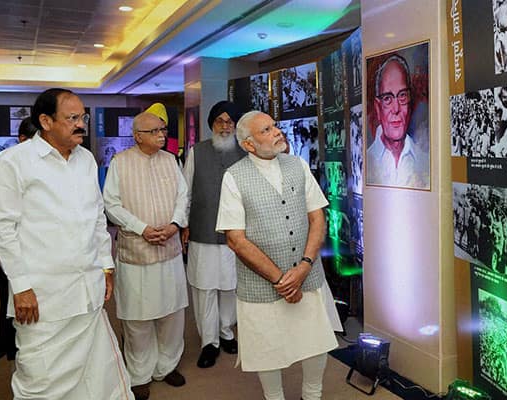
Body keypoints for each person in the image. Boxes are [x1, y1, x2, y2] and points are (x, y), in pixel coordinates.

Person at [0, 88, 133, 399]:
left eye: (83, 117)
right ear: (45, 121)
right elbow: (2, 229)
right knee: (40, 379)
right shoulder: (14, 162)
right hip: (42, 297)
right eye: (72, 118)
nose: (82, 123)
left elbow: (96, 217)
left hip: (86, 290)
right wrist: (21, 286)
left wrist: (106, 265)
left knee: (98, 376)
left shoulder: (86, 160)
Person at [216, 110, 341, 400]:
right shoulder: (233, 178)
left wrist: (304, 268)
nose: (277, 133)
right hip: (262, 286)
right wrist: (282, 280)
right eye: (266, 130)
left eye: (275, 126)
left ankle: (312, 395)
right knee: (268, 351)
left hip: (308, 276)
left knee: (315, 343)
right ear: (249, 144)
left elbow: (317, 218)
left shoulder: (298, 165)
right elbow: (236, 240)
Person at [103, 111, 189, 400]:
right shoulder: (120, 162)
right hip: (136, 251)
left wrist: (175, 224)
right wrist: (141, 228)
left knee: (173, 313)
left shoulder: (171, 160)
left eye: (163, 130)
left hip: (170, 248)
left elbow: (183, 196)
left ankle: (167, 366)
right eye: (154, 131)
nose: (162, 136)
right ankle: (139, 374)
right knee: (137, 318)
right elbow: (110, 204)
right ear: (137, 135)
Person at [181, 101, 245, 368]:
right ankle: (209, 341)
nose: (225, 126)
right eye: (220, 121)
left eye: (230, 121)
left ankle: (226, 332)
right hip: (203, 230)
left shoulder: (246, 152)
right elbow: (184, 190)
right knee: (205, 287)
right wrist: (183, 224)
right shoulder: (197, 152)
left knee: (230, 286)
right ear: (211, 124)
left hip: (236, 234)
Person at [0, 117, 37, 365]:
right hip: (14, 260)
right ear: (22, 140)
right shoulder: (7, 165)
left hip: (42, 262)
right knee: (16, 320)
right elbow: (1, 228)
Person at [367, 54, 429, 189]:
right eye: (388, 98)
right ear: (378, 107)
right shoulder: (365, 162)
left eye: (402, 96)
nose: (396, 109)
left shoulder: (426, 162)